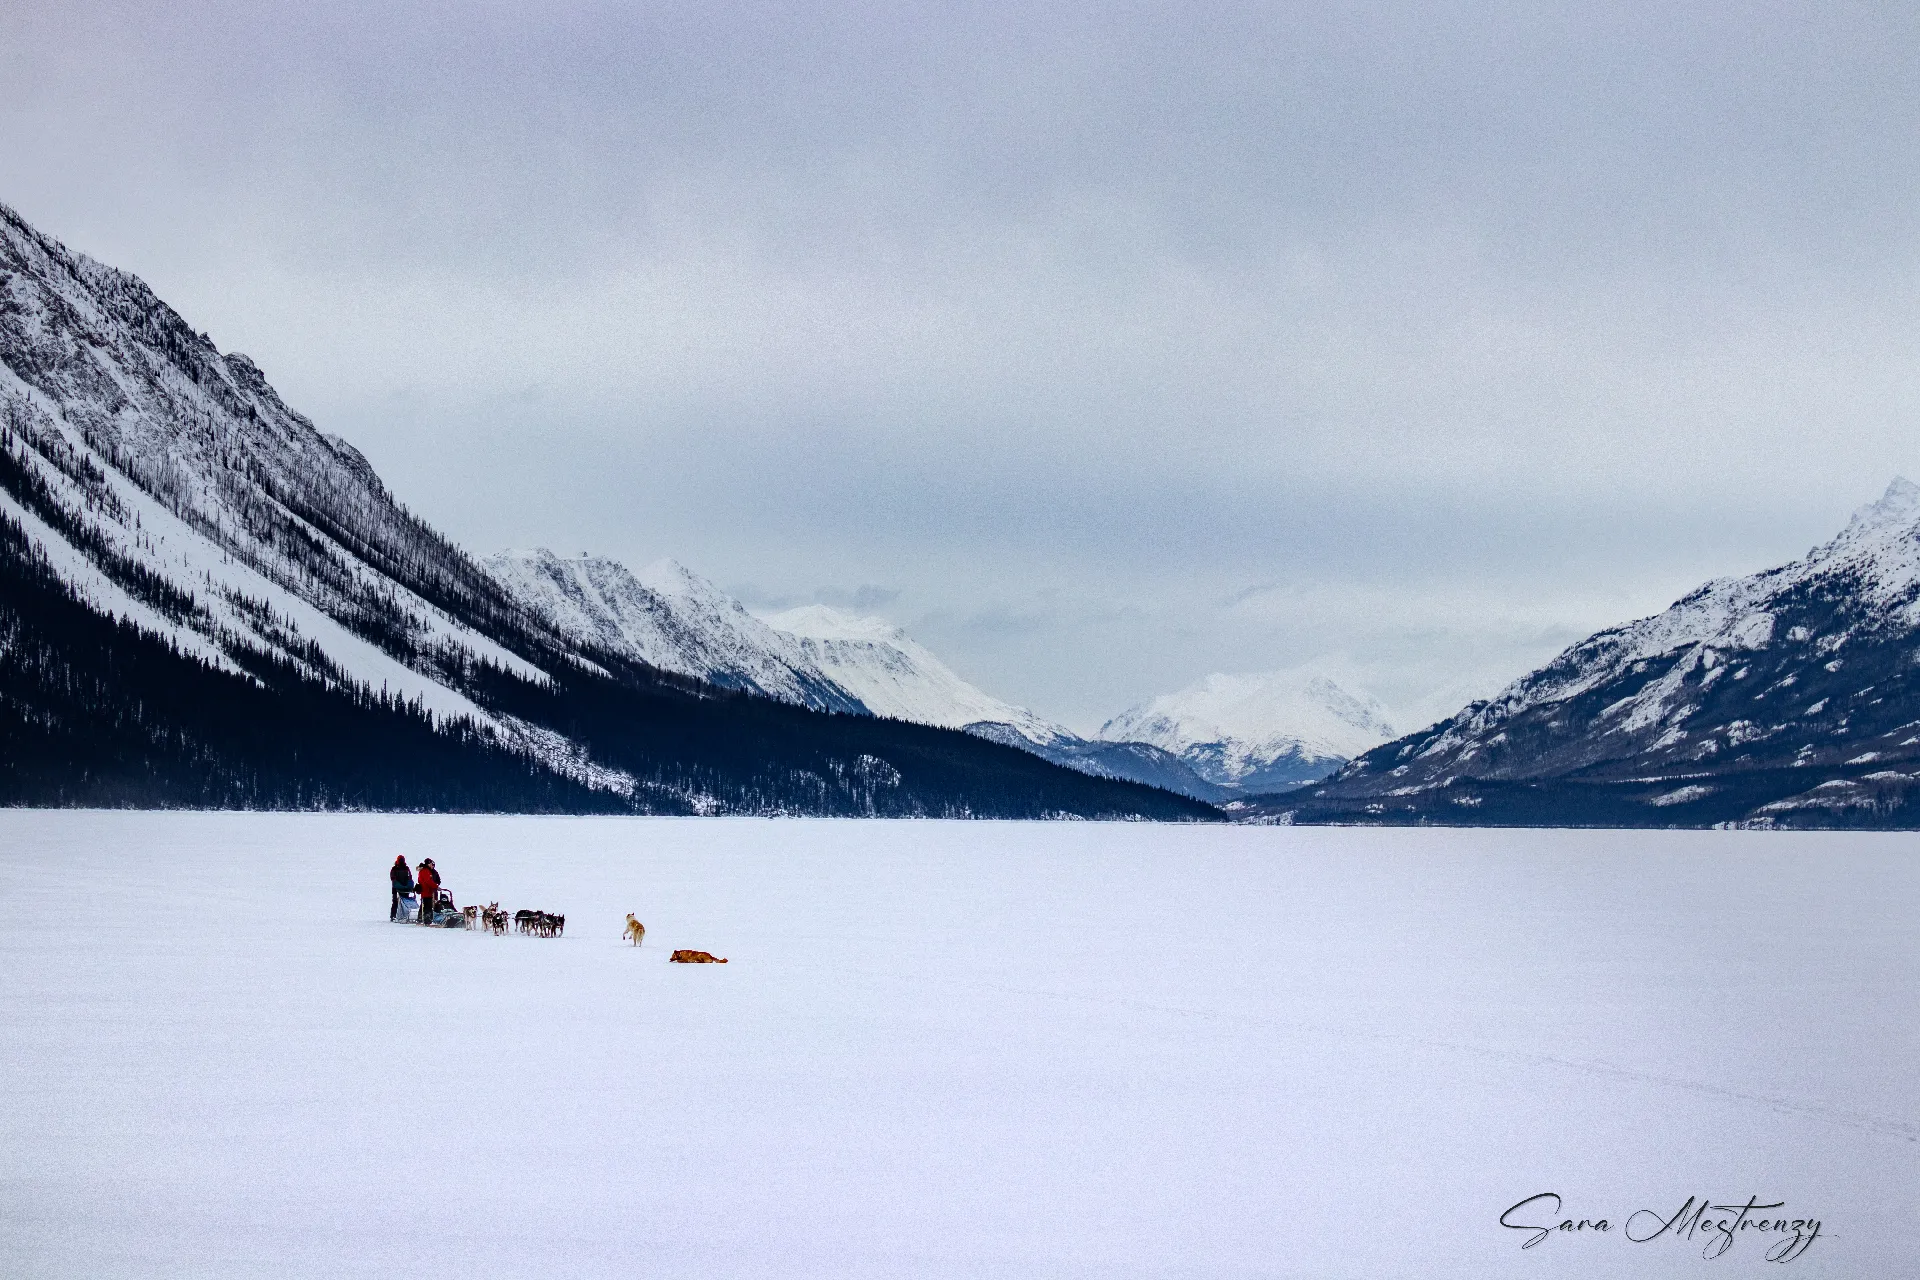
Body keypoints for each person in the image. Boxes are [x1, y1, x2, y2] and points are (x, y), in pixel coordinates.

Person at [415, 858, 440, 925]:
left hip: (427, 891)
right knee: (427, 906)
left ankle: (421, 918)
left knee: (424, 905)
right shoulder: (425, 871)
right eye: (431, 864)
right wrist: (436, 886)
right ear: (428, 864)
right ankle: (427, 920)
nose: (432, 865)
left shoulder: (426, 870)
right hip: (426, 891)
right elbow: (428, 881)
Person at [389, 855, 415, 922]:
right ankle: (393, 916)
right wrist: (399, 885)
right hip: (396, 888)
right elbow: (393, 878)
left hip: (405, 888)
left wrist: (408, 885)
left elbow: (409, 877)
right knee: (395, 902)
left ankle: (404, 915)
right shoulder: (394, 869)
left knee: (404, 902)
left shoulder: (406, 868)